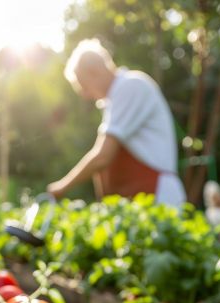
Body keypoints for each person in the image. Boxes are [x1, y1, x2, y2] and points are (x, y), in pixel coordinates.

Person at [47, 39, 186, 207]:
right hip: (141, 200)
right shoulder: (113, 100)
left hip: (159, 197)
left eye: (84, 86)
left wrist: (62, 186)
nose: (85, 95)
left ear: (95, 72)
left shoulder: (130, 86)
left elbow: (102, 156)